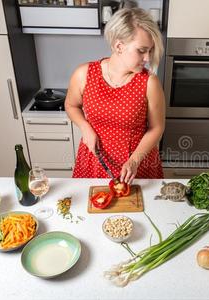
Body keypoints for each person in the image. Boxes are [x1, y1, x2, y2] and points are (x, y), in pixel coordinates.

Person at [65, 7, 165, 184]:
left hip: (136, 164)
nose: (148, 58)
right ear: (119, 46)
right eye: (142, 50)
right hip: (94, 161)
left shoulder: (150, 82)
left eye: (150, 50)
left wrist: (134, 160)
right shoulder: (84, 74)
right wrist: (85, 127)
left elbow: (157, 127)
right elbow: (71, 105)